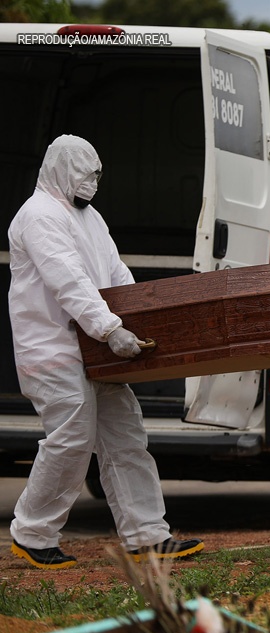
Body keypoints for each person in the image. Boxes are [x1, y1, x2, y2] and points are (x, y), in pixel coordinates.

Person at [7, 134, 204, 569]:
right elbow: (68, 280)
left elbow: (117, 274)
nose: (92, 182)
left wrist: (144, 319)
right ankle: (33, 533)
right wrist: (110, 328)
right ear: (62, 169)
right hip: (54, 348)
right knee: (71, 439)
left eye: (97, 174)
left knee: (126, 438)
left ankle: (147, 535)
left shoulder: (91, 219)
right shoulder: (38, 216)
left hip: (96, 349)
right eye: (85, 173)